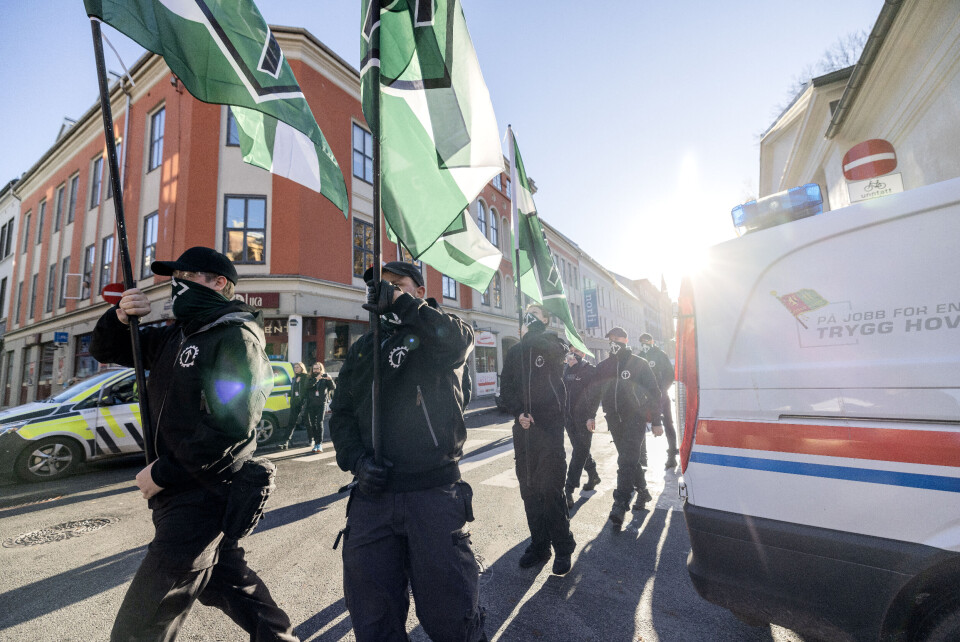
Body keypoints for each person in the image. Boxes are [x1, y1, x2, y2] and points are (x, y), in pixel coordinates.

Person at [89, 246, 297, 642]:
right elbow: (108, 349)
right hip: (177, 494)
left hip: (204, 495)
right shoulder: (177, 334)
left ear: (219, 284)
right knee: (229, 585)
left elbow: (231, 428)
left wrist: (164, 472)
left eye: (187, 277)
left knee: (142, 622)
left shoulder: (235, 337)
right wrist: (120, 316)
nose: (176, 285)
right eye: (174, 278)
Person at [330, 261, 486, 641]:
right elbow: (342, 412)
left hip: (432, 495)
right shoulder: (364, 347)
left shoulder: (441, 332)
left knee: (452, 615)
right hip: (373, 497)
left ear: (418, 291)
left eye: (396, 285)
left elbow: (456, 345)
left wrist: (404, 307)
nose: (384, 291)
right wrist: (357, 461)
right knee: (373, 617)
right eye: (379, 287)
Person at [499, 304, 576, 575]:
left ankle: (563, 547)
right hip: (523, 429)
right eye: (527, 311)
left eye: (536, 313)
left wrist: (533, 334)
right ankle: (540, 545)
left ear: (545, 319)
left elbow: (560, 353)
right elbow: (505, 388)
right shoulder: (516, 351)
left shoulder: (552, 343)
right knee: (529, 489)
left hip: (550, 428)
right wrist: (518, 411)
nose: (530, 314)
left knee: (550, 489)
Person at [584, 326, 661, 526]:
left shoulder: (639, 363)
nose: (613, 341)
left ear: (626, 340)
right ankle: (643, 493)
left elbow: (654, 392)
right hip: (614, 419)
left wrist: (657, 421)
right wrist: (590, 415)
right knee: (629, 460)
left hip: (635, 419)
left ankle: (619, 504)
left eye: (616, 338)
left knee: (626, 460)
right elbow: (595, 392)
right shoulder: (604, 366)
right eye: (610, 338)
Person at [562, 348, 601, 508]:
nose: (573, 354)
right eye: (571, 351)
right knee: (581, 449)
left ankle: (568, 488)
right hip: (568, 418)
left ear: (583, 354)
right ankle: (593, 475)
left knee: (579, 451)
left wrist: (591, 415)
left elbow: (596, 394)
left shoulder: (589, 370)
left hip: (584, 418)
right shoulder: (565, 369)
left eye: (577, 351)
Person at [638, 333, 678, 469]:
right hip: (644, 398)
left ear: (652, 341)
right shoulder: (639, 356)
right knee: (641, 425)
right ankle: (642, 458)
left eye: (647, 341)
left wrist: (662, 390)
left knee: (668, 423)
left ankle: (672, 455)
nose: (644, 343)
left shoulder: (660, 355)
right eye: (642, 341)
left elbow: (670, 375)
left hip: (661, 396)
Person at [305, 362, 335, 452]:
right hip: (311, 403)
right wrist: (316, 379)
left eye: (318, 368)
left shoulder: (325, 378)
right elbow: (307, 386)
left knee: (319, 422)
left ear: (321, 369)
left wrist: (330, 379)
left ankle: (319, 444)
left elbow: (333, 387)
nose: (316, 370)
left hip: (321, 403)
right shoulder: (310, 378)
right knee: (313, 424)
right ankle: (316, 442)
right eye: (314, 369)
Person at [282, 362, 309, 449]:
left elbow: (307, 390)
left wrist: (306, 401)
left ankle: (312, 439)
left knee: (308, 422)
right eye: (295, 367)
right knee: (291, 422)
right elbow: (294, 390)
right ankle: (286, 441)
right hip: (294, 402)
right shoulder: (294, 378)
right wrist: (288, 394)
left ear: (302, 368)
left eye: (297, 367)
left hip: (303, 403)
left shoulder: (306, 377)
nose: (296, 369)